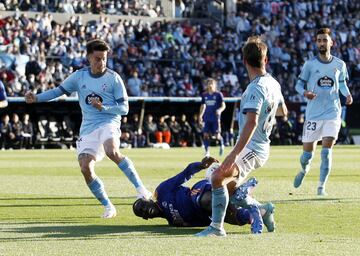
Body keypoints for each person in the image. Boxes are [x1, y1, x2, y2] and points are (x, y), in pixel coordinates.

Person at [25, 39, 152, 218]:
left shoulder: (114, 78)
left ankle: (141, 189)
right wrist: (36, 98)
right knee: (85, 167)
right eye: (98, 58)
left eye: (104, 59)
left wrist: (104, 108)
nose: (101, 63)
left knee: (112, 151)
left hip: (109, 121)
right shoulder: (79, 76)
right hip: (88, 127)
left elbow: (124, 109)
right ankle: (108, 206)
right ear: (89, 58)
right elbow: (57, 91)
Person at [196, 36, 287, 237]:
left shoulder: (256, 88)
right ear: (266, 60)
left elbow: (253, 122)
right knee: (227, 187)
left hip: (253, 148)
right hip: (257, 146)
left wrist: (233, 154)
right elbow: (283, 112)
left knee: (218, 176)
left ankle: (216, 228)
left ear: (244, 61)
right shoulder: (273, 83)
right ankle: (263, 210)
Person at [133, 156, 275, 234]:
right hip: (208, 213)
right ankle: (260, 209)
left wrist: (201, 166)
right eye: (141, 212)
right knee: (236, 218)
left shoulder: (162, 192)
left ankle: (236, 191)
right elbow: (202, 222)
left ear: (148, 199)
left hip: (197, 193)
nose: (144, 209)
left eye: (142, 204)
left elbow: (184, 175)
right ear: (146, 218)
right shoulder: (173, 222)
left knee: (204, 200)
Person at [293, 28, 353, 196]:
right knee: (306, 156)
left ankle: (321, 187)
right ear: (316, 42)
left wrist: (347, 94)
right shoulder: (310, 65)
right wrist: (305, 93)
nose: (322, 43)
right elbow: (298, 85)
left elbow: (341, 83)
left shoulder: (340, 64)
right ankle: (304, 170)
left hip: (333, 113)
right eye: (319, 40)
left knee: (326, 151)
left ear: (331, 42)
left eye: (324, 40)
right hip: (313, 114)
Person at [199, 78, 226, 157]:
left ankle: (222, 145)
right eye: (208, 83)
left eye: (211, 83)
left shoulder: (218, 94)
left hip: (215, 118)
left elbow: (223, 105)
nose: (210, 85)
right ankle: (207, 152)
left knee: (217, 136)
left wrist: (220, 110)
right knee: (206, 135)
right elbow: (203, 106)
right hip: (207, 118)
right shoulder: (204, 95)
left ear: (215, 85)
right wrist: (200, 115)